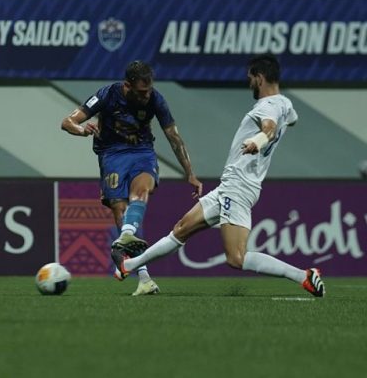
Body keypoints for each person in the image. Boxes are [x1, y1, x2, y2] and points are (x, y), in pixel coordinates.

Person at [111, 54, 325, 298]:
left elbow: (269, 127)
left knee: (236, 258)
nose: (249, 84)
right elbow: (290, 120)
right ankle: (128, 265)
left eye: (250, 79)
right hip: (230, 186)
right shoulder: (285, 105)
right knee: (181, 229)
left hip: (239, 188)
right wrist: (273, 130)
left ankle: (303, 276)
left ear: (260, 78)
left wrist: (258, 140)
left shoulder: (268, 106)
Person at [61, 60, 202, 296]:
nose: (146, 96)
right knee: (119, 207)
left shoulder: (156, 99)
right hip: (112, 154)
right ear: (127, 86)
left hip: (142, 152)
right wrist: (81, 130)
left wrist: (190, 172)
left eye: (149, 90)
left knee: (142, 190)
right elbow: (68, 122)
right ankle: (144, 277)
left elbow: (174, 137)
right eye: (141, 92)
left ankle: (126, 235)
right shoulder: (107, 94)